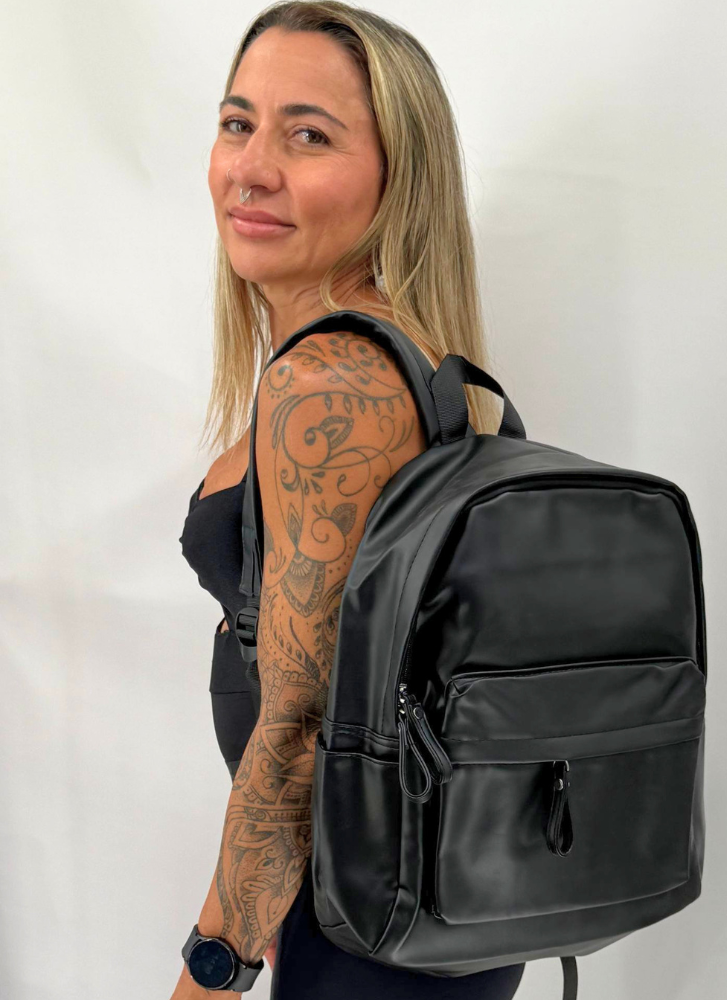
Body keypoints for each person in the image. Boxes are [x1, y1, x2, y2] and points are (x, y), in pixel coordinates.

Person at [173, 3, 525, 997]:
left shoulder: (334, 383)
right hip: (401, 909)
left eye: (309, 135)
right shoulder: (423, 367)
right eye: (237, 123)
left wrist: (211, 971)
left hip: (367, 938)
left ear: (397, 177)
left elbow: (298, 732)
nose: (251, 167)